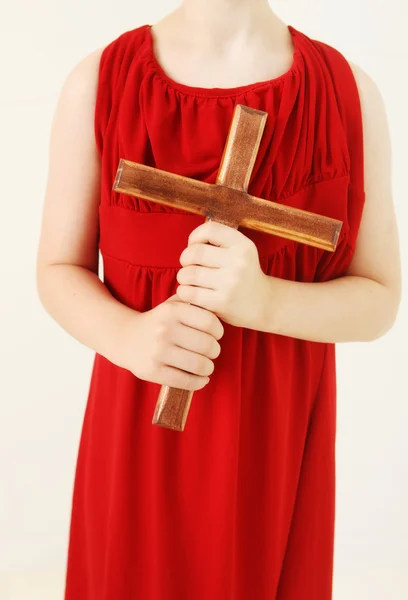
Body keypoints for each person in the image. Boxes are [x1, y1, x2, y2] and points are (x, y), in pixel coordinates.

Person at [36, 1, 401, 598]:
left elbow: (379, 299)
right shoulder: (98, 82)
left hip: (274, 459)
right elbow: (56, 269)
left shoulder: (346, 94)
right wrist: (126, 336)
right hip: (140, 452)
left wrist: (263, 301)